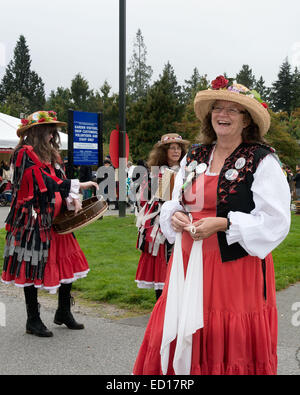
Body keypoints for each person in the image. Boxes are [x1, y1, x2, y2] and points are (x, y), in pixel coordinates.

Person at [133, 76, 291, 375]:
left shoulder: (261, 159)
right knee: (184, 324)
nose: (223, 115)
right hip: (190, 258)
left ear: (247, 120)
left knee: (224, 330)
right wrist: (175, 215)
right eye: (218, 108)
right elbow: (174, 200)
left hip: (235, 266)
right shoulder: (195, 154)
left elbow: (277, 220)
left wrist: (224, 223)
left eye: (233, 110)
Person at [1, 111, 98, 338]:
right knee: (31, 265)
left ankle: (63, 312)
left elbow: (58, 181)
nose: (52, 133)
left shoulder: (53, 154)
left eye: (54, 129)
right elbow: (43, 182)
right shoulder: (23, 154)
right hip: (32, 221)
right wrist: (78, 184)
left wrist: (71, 198)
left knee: (68, 264)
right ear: (35, 131)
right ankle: (32, 320)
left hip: (55, 219)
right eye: (49, 128)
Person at [135, 133, 189, 301]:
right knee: (163, 267)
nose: (176, 151)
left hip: (182, 222)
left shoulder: (185, 171)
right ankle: (162, 309)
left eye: (178, 148)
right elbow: (153, 199)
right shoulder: (161, 173)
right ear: (163, 152)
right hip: (161, 228)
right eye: (171, 148)